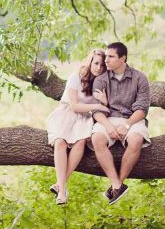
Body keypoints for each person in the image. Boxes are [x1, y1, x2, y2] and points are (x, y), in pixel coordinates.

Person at [89, 42, 151, 204]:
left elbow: (142, 110)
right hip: (108, 118)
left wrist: (127, 125)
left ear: (122, 58)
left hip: (132, 119)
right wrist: (109, 127)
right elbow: (97, 111)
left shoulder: (140, 78)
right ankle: (116, 184)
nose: (106, 60)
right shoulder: (101, 80)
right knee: (97, 139)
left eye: (111, 57)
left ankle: (117, 184)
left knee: (136, 139)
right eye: (106, 56)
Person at [46, 49, 110, 205]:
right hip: (66, 112)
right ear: (89, 62)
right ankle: (62, 190)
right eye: (96, 63)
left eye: (102, 65)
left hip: (84, 118)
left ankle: (60, 187)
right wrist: (98, 105)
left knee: (80, 142)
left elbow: (106, 108)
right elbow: (74, 106)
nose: (98, 68)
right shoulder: (76, 77)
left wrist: (104, 102)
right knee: (60, 142)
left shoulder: (101, 83)